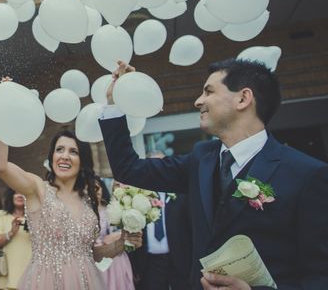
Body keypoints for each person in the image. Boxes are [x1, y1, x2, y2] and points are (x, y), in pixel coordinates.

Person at [99, 59, 328, 290]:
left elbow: (319, 275)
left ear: (242, 98)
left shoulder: (307, 174)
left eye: (208, 91)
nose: (198, 101)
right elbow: (128, 168)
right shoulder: (201, 158)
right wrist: (114, 104)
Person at [0, 116, 141, 290]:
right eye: (59, 150)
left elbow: (90, 253)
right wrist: (0, 112)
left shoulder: (89, 199)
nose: (65, 156)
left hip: (85, 282)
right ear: (52, 156)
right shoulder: (38, 189)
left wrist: (120, 244)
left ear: (83, 161)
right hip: (45, 282)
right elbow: (1, 167)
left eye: (73, 151)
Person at [127, 152, 191, 290]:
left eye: (161, 165)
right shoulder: (136, 197)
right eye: (153, 166)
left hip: (179, 260)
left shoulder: (181, 194)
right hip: (149, 263)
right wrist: (134, 267)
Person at [94, 178, 136, 290]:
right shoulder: (85, 212)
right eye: (92, 187)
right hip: (98, 261)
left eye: (99, 187)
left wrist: (114, 236)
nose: (97, 190)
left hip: (117, 258)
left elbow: (129, 229)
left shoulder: (111, 208)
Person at [0, 188, 32, 290]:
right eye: (16, 192)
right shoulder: (2, 217)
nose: (20, 195)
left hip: (33, 278)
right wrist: (11, 233)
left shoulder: (37, 218)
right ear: (11, 195)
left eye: (23, 193)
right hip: (9, 280)